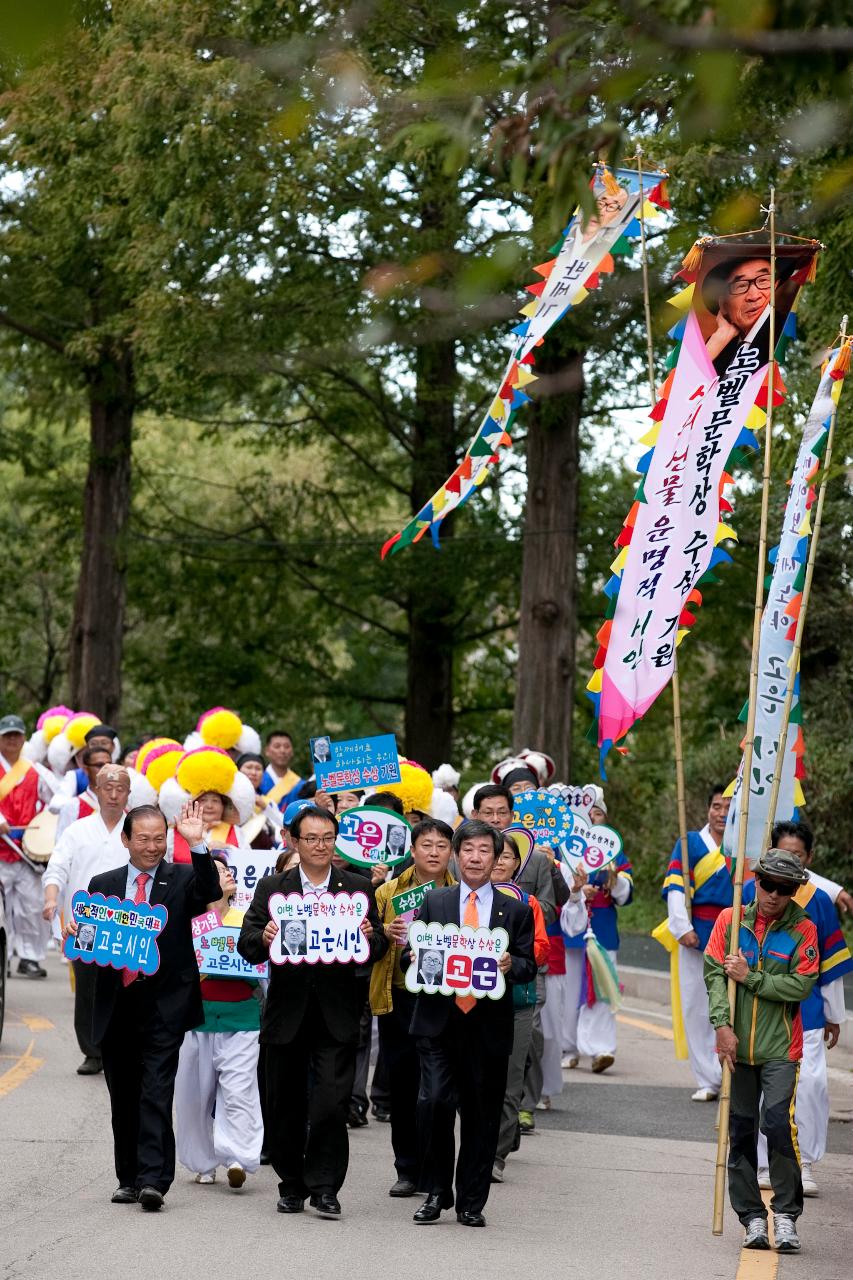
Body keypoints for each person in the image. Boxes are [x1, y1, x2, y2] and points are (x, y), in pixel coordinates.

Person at [66, 801, 221, 1211]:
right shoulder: (103, 883)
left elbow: (210, 892)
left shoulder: (183, 877)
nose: (152, 847)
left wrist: (197, 844)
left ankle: (154, 1180)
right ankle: (128, 1178)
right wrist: (76, 932)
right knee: (125, 1095)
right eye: (144, 839)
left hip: (165, 1004)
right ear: (126, 839)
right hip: (118, 1005)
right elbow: (89, 943)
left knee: (156, 1090)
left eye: (160, 839)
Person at [237, 805, 387, 1220]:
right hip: (287, 1014)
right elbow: (245, 942)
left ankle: (325, 1187)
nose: (320, 846)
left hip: (337, 1013)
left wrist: (369, 937)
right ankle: (291, 1184)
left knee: (330, 1106)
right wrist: (263, 936)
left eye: (327, 838)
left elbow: (377, 950)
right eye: (312, 839)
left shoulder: (356, 887)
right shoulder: (273, 887)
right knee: (284, 1105)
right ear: (294, 841)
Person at [409, 819, 537, 1227]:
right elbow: (413, 954)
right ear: (455, 854)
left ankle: (471, 1201)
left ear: (497, 858)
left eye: (485, 851)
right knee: (434, 1104)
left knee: (481, 1116)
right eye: (469, 849)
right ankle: (434, 1191)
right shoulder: (436, 902)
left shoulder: (514, 910)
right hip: (439, 1022)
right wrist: (412, 957)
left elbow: (528, 965)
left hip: (487, 1027)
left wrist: (509, 963)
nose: (476, 857)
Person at [704, 848, 819, 1254]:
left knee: (776, 1124)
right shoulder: (730, 921)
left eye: (784, 889)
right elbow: (715, 975)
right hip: (738, 1046)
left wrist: (750, 977)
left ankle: (786, 1215)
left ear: (793, 892)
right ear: (756, 880)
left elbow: (801, 985)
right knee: (740, 1130)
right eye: (768, 884)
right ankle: (752, 1216)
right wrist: (722, 1026)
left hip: (780, 1048)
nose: (773, 894)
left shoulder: (803, 929)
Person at [748, 821, 853, 1198]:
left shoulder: (819, 902)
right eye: (783, 853)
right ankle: (763, 1163)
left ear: (808, 859)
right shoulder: (750, 893)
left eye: (797, 856)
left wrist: (834, 1015)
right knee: (761, 1089)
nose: (789, 861)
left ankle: (802, 1162)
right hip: (755, 1011)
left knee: (809, 1086)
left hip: (803, 1013)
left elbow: (829, 967)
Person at [370, 816, 456, 1195]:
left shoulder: (461, 893)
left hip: (444, 999)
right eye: (427, 845)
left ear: (451, 852)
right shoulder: (388, 892)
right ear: (413, 850)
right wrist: (385, 934)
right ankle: (406, 1169)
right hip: (400, 995)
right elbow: (368, 941)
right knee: (403, 1085)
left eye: (442, 846)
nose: (434, 852)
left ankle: (436, 1169)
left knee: (438, 1089)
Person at [175, 854, 263, 1190]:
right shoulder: (189, 919)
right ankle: (203, 1161)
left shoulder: (249, 920)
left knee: (239, 1090)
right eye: (215, 871)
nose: (224, 875)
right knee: (193, 1095)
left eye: (227, 870)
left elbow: (264, 972)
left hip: (241, 1015)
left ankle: (238, 1156)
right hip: (194, 1018)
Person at [42, 764, 131, 1074]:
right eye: (108, 787)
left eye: (121, 788)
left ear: (128, 794)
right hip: (85, 923)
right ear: (96, 790)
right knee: (88, 987)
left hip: (127, 922)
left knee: (125, 987)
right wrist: (52, 898)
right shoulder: (77, 830)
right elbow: (57, 868)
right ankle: (92, 1051)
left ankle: (119, 1048)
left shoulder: (135, 831)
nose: (114, 794)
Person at [490, 832, 566, 1182]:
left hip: (516, 998)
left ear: (516, 864)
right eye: (495, 855)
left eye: (507, 857)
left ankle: (497, 1154)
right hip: (468, 1001)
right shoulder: (462, 901)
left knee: (509, 1077)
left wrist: (515, 959)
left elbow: (540, 948)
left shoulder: (527, 904)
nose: (500, 861)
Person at [657, 786, 733, 1100]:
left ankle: (730, 1071)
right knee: (696, 1005)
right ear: (708, 809)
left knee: (730, 1004)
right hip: (697, 931)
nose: (722, 813)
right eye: (717, 806)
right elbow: (676, 886)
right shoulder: (689, 843)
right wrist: (681, 927)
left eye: (728, 807)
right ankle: (707, 1078)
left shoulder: (743, 844)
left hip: (733, 931)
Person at [573, 794, 633, 1074]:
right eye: (587, 814)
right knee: (571, 990)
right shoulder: (568, 848)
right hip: (572, 926)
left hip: (603, 925)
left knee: (603, 988)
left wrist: (616, 879)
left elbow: (625, 894)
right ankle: (568, 1045)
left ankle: (602, 1048)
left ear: (604, 819)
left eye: (597, 813)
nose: (592, 818)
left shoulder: (614, 851)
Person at [0, 713, 51, 978]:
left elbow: (53, 802)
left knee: (31, 906)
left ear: (23, 738)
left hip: (26, 852)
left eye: (16, 735)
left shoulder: (33, 770)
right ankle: (3, 957)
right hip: (0, 852)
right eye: (7, 735)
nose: (12, 740)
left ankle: (29, 957)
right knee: (1, 909)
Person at [55, 745, 112, 839]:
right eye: (99, 765)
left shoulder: (121, 804)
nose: (106, 770)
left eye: (109, 765)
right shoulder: (72, 807)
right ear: (86, 769)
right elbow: (62, 847)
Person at [259, 730, 303, 810]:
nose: (282, 751)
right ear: (267, 751)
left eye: (287, 746)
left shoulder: (300, 784)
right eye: (277, 746)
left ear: (292, 751)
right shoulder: (258, 780)